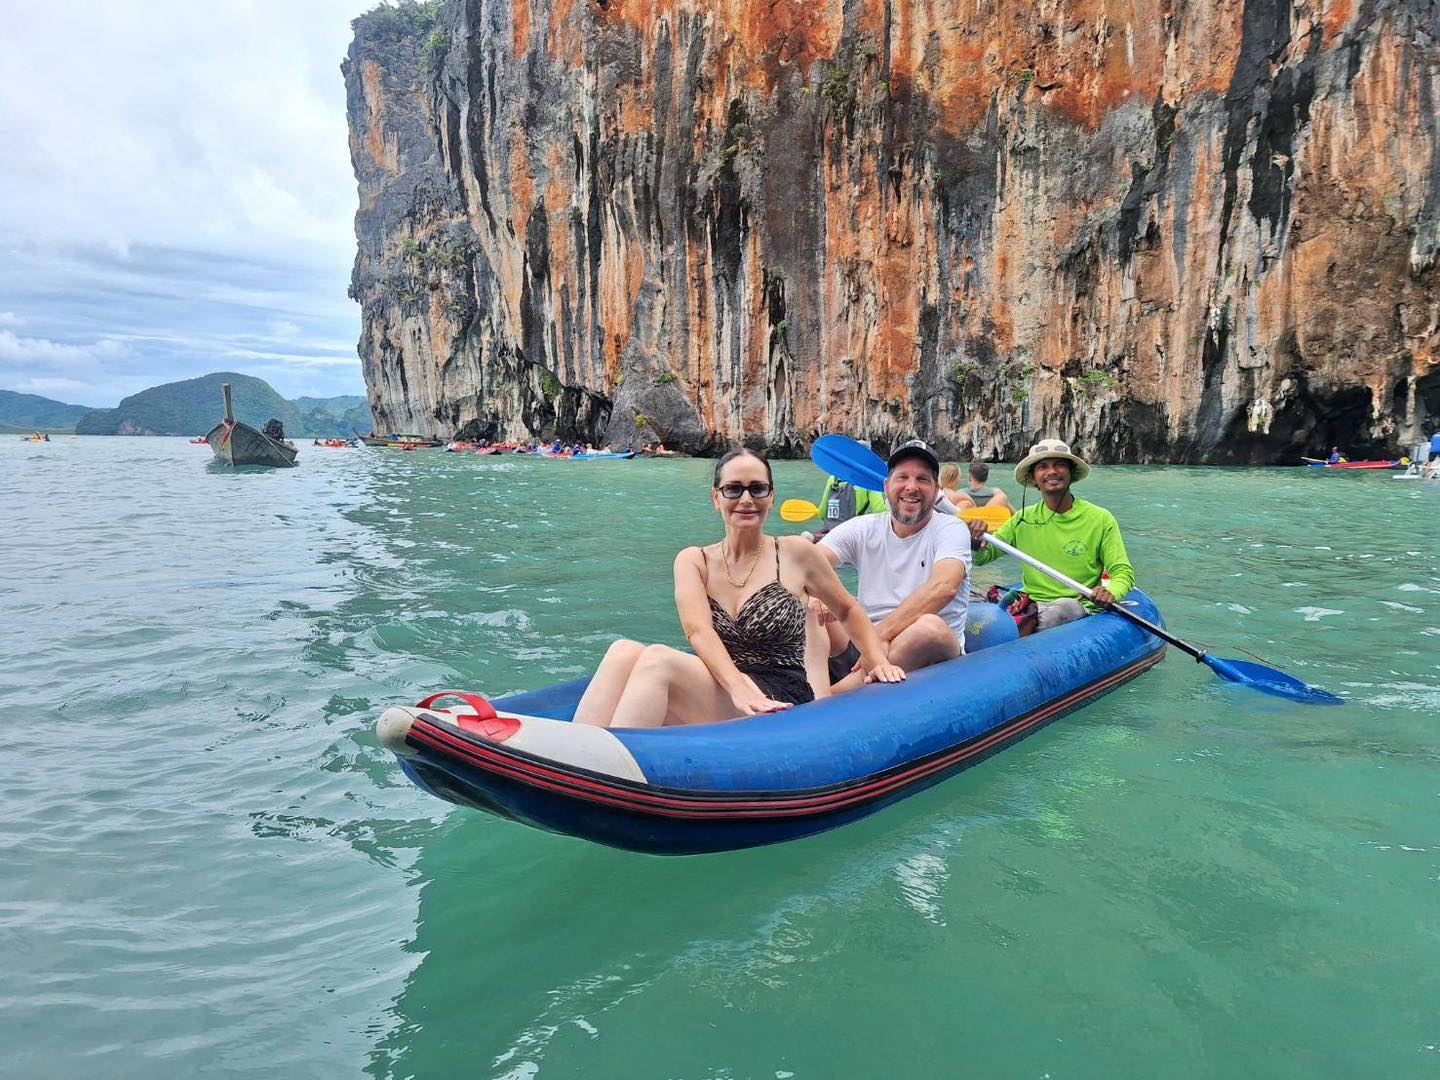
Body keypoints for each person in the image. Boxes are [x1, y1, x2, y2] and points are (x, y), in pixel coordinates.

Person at [573, 448, 904, 728]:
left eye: (757, 489)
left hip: (779, 696)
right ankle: (575, 755)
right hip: (728, 685)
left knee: (658, 660)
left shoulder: (796, 553)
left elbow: (846, 608)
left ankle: (610, 774)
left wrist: (877, 661)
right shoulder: (693, 561)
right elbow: (698, 631)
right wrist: (738, 687)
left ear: (771, 498)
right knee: (623, 652)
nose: (746, 499)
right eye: (734, 489)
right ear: (716, 498)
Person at [816, 439, 972, 689]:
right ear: (887, 485)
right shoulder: (863, 527)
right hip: (868, 643)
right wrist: (817, 596)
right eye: (902, 478)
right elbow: (809, 562)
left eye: (922, 479)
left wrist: (880, 636)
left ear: (935, 490)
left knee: (928, 628)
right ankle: (801, 685)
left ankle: (825, 702)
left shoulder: (951, 528)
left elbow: (945, 586)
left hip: (924, 649)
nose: (912, 487)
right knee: (811, 605)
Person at [968, 438, 1134, 634]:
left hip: (1075, 605)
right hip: (1031, 604)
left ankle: (1019, 640)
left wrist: (1111, 592)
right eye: (1042, 467)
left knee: (1062, 608)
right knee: (969, 597)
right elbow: (983, 557)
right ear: (1033, 478)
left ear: (1071, 473)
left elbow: (1122, 572)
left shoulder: (1100, 518)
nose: (1052, 472)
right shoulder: (1022, 519)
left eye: (1060, 465)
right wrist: (976, 540)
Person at [815, 473, 886, 536]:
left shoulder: (833, 478)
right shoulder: (869, 480)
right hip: (851, 535)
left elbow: (822, 513)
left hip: (829, 533)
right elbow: (880, 511)